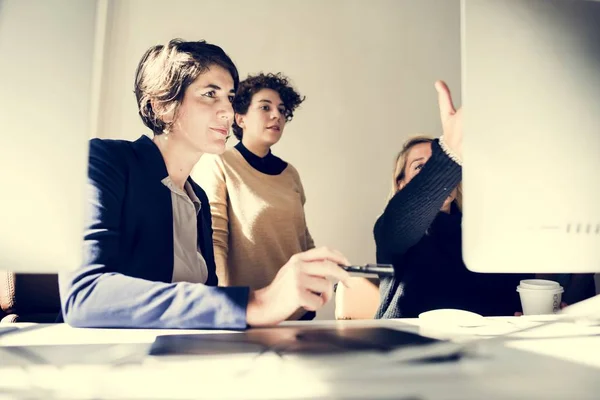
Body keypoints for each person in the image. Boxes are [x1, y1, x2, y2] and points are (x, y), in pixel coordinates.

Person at [58, 39, 350, 330]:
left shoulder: (198, 198)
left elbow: (205, 300)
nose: (227, 111)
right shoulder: (105, 161)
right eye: (210, 94)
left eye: (230, 97)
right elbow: (84, 294)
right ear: (163, 106)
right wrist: (254, 303)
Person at [374, 81, 531, 319]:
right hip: (406, 348)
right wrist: (449, 154)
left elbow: (507, 294)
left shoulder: (482, 234)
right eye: (420, 168)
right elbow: (402, 220)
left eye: (437, 164)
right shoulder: (393, 230)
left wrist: (522, 312)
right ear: (401, 184)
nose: (433, 175)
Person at [193, 73, 315, 320]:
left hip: (297, 312)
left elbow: (303, 240)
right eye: (265, 107)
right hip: (248, 313)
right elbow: (215, 240)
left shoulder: (290, 173)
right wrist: (227, 306)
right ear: (240, 118)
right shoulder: (219, 163)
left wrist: (314, 290)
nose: (276, 115)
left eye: (282, 110)